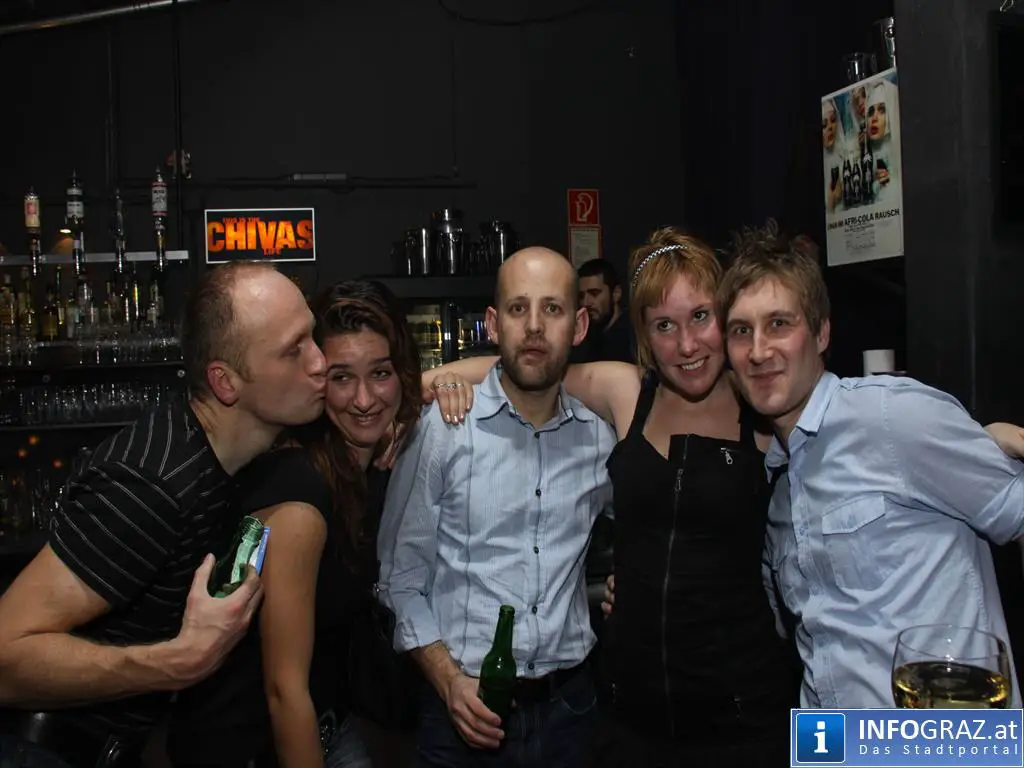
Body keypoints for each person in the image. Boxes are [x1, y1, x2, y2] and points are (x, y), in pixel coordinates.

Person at [431, 226, 799, 766]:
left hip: (739, 708)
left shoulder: (763, 406)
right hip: (629, 707)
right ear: (644, 334)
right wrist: (437, 382)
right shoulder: (628, 391)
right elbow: (525, 365)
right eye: (664, 325)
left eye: (700, 316)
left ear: (725, 316)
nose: (687, 344)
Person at [0, 261, 328, 768]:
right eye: (294, 350)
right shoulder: (151, 487)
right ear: (225, 382)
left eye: (313, 336)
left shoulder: (222, 457)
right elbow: (5, 657)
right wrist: (178, 663)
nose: (320, 362)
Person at [717, 220, 1024, 708]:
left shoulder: (891, 415)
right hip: (831, 739)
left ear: (821, 333)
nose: (758, 351)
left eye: (779, 324)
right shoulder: (776, 491)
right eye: (741, 331)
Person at [166, 279, 425, 768]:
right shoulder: (299, 499)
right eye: (342, 377)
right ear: (316, 379)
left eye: (381, 373)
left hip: (329, 721)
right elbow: (283, 691)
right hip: (249, 745)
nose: (365, 399)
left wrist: (442, 383)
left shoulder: (364, 469)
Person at [378, 247, 616, 768]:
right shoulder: (442, 430)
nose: (534, 326)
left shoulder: (600, 441)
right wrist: (447, 681)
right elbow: (400, 578)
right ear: (492, 324)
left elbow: (650, 527)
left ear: (578, 326)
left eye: (552, 309)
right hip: (462, 708)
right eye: (517, 308)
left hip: (571, 711)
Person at [570, 258, 634, 364]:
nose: (586, 302)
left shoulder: (632, 340)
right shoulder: (585, 337)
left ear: (616, 294)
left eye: (594, 293)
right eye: (581, 296)